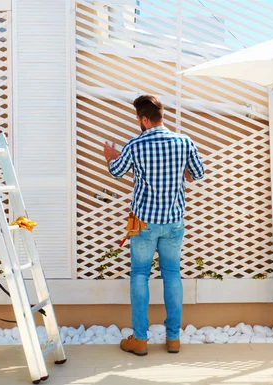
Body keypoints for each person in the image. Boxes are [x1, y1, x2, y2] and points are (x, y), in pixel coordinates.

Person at [103, 95, 205, 356]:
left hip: (143, 221)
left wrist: (110, 156)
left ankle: (139, 340)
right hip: (173, 222)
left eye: (138, 118)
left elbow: (116, 171)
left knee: (139, 275)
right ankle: (173, 339)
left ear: (145, 119)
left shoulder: (136, 145)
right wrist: (178, 170)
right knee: (172, 274)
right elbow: (198, 174)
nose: (138, 122)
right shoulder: (184, 142)